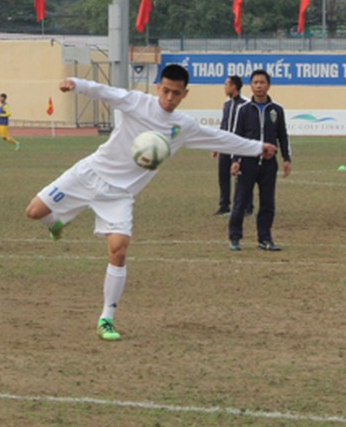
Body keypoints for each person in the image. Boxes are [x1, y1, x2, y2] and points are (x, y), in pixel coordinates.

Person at [25, 64, 276, 341]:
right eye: (166, 90)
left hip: (120, 194)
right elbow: (105, 92)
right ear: (159, 87)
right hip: (89, 174)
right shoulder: (137, 103)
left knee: (118, 250)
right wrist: (75, 83)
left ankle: (106, 318)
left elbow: (218, 137)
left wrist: (255, 147)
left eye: (176, 93)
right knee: (34, 211)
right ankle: (56, 223)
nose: (169, 97)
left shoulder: (183, 127)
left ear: (185, 94)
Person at [228, 69, 291, 252]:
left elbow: (283, 136)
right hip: (247, 163)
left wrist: (286, 158)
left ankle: (264, 238)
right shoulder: (244, 110)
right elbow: (236, 137)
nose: (259, 86)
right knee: (240, 201)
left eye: (262, 82)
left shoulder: (276, 110)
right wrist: (235, 159)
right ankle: (235, 237)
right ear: (251, 86)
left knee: (268, 203)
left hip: (269, 165)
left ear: (268, 85)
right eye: (255, 82)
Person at [213, 75, 247, 215]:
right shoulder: (226, 105)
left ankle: (246, 206)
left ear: (234, 86)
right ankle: (224, 205)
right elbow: (223, 125)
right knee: (223, 175)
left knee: (243, 177)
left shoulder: (245, 105)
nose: (225, 87)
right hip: (225, 146)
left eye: (227, 84)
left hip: (239, 146)